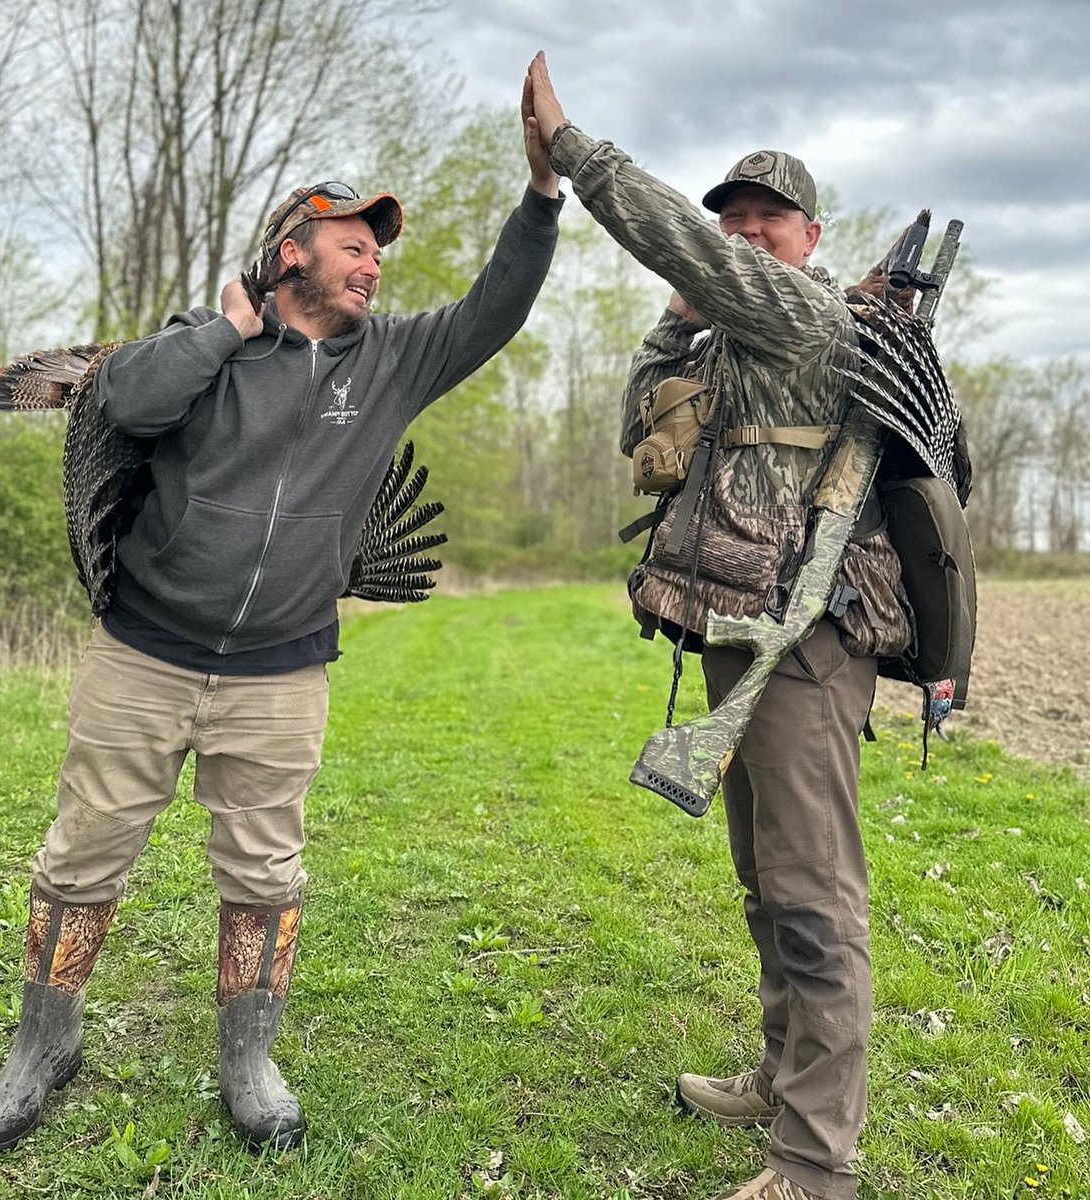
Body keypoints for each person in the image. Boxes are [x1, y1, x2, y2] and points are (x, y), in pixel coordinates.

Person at [0, 79, 564, 1156]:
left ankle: (250, 1057)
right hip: (145, 652)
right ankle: (42, 1045)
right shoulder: (203, 342)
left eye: (378, 248)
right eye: (353, 244)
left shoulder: (389, 362)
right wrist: (229, 325)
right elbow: (126, 402)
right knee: (82, 856)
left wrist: (539, 196)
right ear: (293, 252)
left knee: (264, 870)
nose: (375, 260)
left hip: (282, 672)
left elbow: (495, 310)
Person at [526, 52, 912, 1200]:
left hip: (809, 648)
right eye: (731, 219)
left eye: (767, 220)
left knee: (814, 895)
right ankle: (779, 1077)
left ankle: (814, 1163)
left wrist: (575, 150)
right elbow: (642, 427)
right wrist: (673, 323)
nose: (743, 235)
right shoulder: (733, 343)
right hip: (737, 636)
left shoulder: (809, 318)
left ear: (811, 236)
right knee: (766, 880)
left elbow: (673, 240)